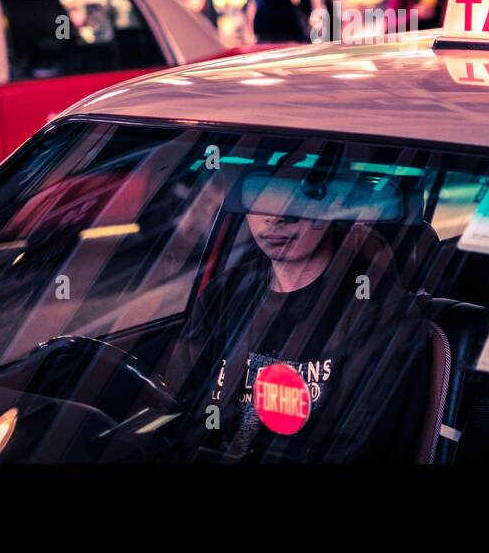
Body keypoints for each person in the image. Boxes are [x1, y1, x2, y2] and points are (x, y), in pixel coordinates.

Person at [160, 178, 430, 463]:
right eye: (261, 189)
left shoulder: (381, 314)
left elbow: (366, 451)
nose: (275, 216)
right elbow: (177, 415)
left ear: (333, 202)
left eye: (303, 190)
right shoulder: (223, 295)